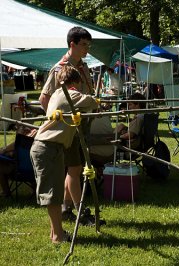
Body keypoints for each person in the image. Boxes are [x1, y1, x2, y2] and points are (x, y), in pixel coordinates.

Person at [30, 65, 99, 244]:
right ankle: (58, 237)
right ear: (75, 83)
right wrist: (97, 100)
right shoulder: (70, 94)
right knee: (52, 195)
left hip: (49, 147)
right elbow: (91, 101)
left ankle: (56, 233)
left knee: (55, 192)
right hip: (48, 147)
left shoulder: (56, 94)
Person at [38, 26, 95, 223]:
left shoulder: (83, 66)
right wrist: (57, 120)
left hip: (83, 123)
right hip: (69, 127)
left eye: (89, 45)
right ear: (72, 44)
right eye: (83, 45)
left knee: (76, 168)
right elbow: (44, 98)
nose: (86, 49)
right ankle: (81, 213)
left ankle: (66, 209)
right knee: (75, 168)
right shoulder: (60, 68)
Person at [0, 126, 37, 197]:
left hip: (18, 173)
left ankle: (6, 192)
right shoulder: (38, 143)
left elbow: (2, 151)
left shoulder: (18, 143)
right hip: (34, 173)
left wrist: (5, 151)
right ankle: (35, 190)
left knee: (1, 167)